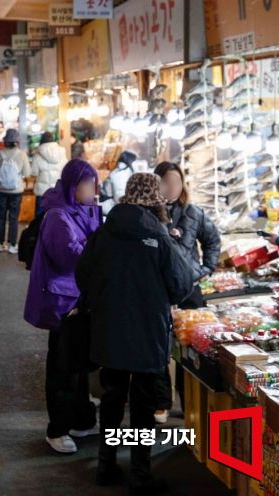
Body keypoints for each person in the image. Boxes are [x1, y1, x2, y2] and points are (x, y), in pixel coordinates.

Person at [76, 173, 193, 495]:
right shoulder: (159, 237)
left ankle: (105, 465)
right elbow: (181, 285)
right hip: (146, 332)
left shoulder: (103, 233)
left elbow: (83, 275)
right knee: (142, 407)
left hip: (108, 329)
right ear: (156, 201)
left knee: (112, 398)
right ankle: (140, 474)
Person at [23, 159, 101, 455]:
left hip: (79, 298)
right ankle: (57, 429)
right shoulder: (57, 216)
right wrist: (98, 248)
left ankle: (81, 420)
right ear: (72, 185)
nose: (92, 190)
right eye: (86, 184)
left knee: (79, 362)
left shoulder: (81, 210)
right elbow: (71, 256)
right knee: (62, 366)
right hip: (63, 302)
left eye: (93, 184)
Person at [153, 161, 221, 422]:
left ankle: (188, 401)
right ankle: (161, 402)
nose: (172, 187)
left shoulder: (193, 212)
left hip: (189, 289)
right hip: (160, 290)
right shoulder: (149, 214)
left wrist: (206, 268)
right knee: (160, 346)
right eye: (167, 182)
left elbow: (212, 239)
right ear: (157, 184)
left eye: (177, 182)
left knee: (191, 346)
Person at [0, 129, 32, 254]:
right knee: (13, 218)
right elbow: (27, 173)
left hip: (1, 190)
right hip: (16, 191)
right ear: (16, 141)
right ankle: (12, 244)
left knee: (1, 217)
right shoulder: (22, 154)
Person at [31, 132, 67, 216]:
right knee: (56, 215)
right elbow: (66, 170)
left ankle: (40, 229)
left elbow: (34, 172)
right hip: (58, 190)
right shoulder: (62, 153)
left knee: (40, 217)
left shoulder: (38, 154)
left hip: (42, 192)